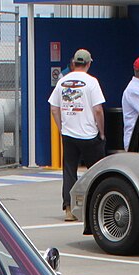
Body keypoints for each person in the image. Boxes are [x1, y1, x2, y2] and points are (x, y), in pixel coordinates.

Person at [48, 49, 105, 221]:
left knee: (69, 171)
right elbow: (98, 110)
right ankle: (98, 206)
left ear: (73, 63)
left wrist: (61, 127)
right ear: (88, 64)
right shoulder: (92, 82)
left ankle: (68, 208)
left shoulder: (62, 81)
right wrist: (101, 132)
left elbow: (53, 108)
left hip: (69, 134)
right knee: (97, 172)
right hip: (89, 134)